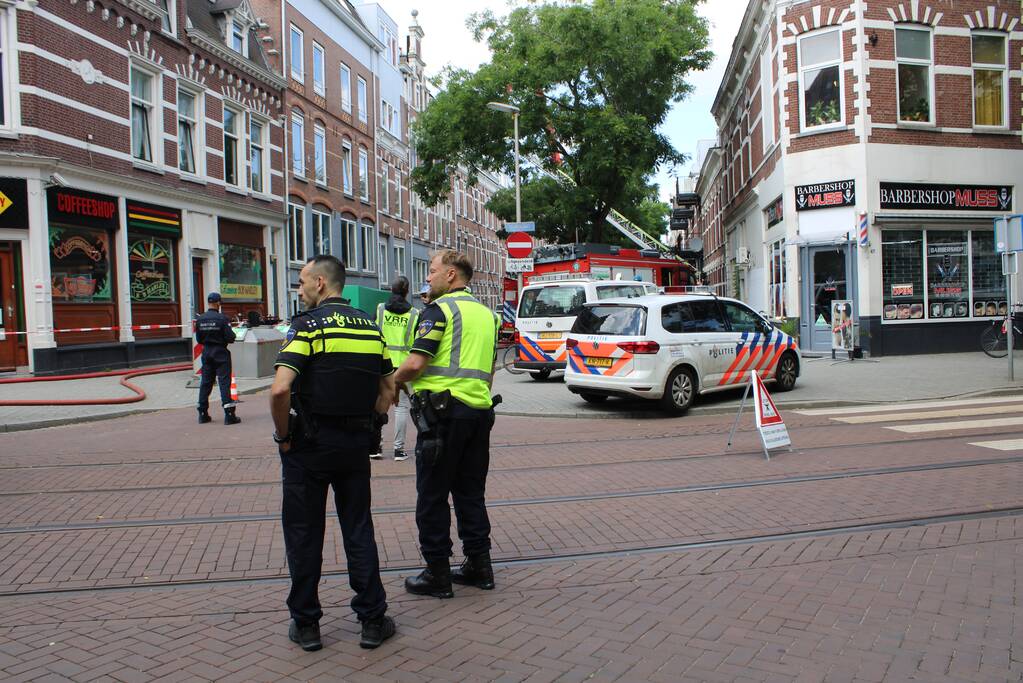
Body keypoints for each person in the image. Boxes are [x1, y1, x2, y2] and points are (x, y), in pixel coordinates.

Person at [269, 255, 396, 652]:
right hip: (354, 447)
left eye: (304, 282)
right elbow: (389, 391)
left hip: (308, 446)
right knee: (358, 529)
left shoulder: (306, 326)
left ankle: (307, 624)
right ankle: (372, 619)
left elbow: (279, 389)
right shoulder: (371, 329)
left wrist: (284, 437)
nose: (301, 289)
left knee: (304, 534)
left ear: (321, 283)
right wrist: (370, 423)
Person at [395, 250, 500, 599]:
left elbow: (414, 364)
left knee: (432, 496)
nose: (428, 277)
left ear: (451, 275)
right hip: (479, 414)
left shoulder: (439, 311)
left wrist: (389, 383)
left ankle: (437, 573)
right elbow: (490, 370)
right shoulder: (488, 316)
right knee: (471, 493)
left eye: (433, 271)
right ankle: (479, 567)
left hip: (442, 417)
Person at [371, 276, 419, 462]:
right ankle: (399, 451)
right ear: (406, 291)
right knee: (401, 407)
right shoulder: (414, 314)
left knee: (379, 406)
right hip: (403, 366)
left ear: (391, 289)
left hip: (382, 364)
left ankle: (376, 447)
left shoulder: (380, 309)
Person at [195, 292, 239, 425]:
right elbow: (231, 337)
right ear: (219, 303)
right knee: (224, 382)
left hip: (206, 352)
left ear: (208, 303)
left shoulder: (200, 319)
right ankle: (229, 415)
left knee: (206, 383)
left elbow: (199, 339)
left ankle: (203, 414)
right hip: (220, 353)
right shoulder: (222, 319)